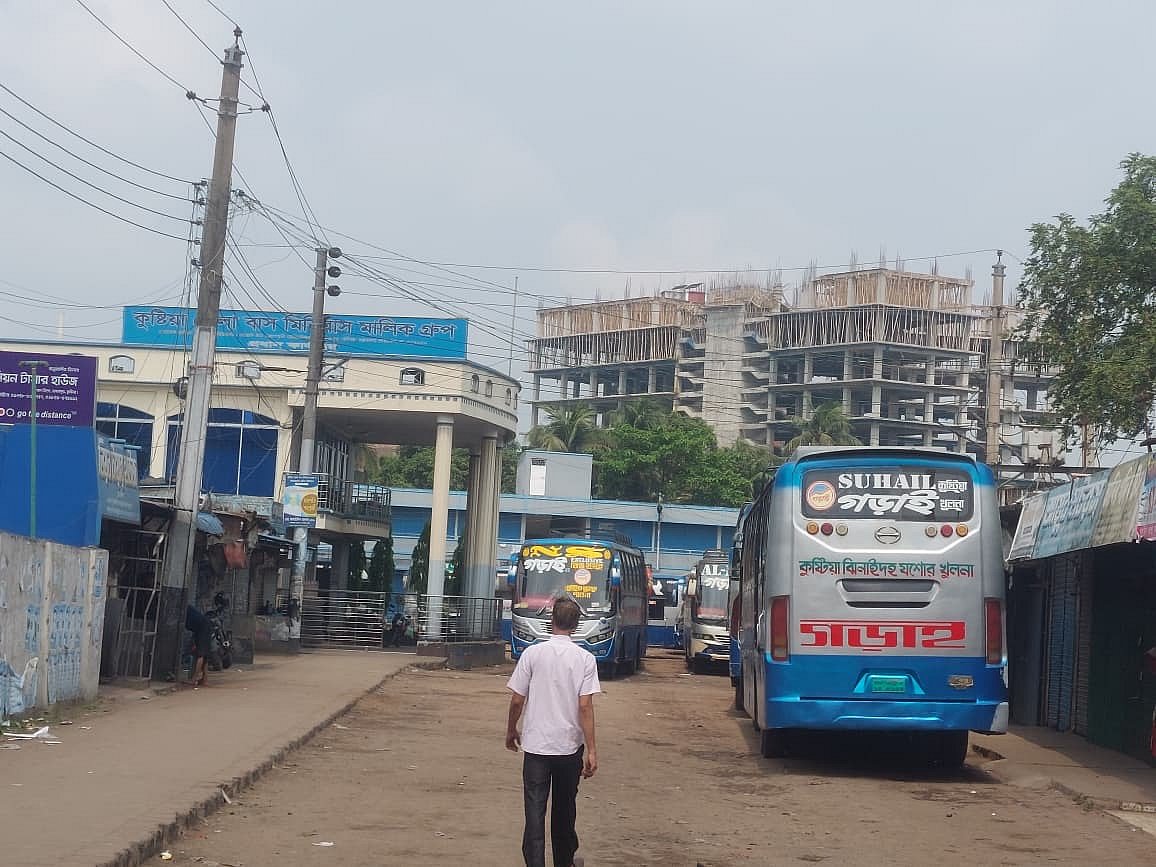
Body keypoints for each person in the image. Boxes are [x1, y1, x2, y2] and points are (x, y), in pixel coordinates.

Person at [506, 598, 599, 867]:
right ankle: (564, 861)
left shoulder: (532, 654)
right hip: (569, 748)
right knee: (564, 812)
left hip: (536, 747)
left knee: (534, 813)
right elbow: (585, 706)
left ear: (551, 621)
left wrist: (511, 730)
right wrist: (592, 750)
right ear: (576, 625)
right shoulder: (585, 659)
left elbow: (517, 700)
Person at [185, 604, 211, 687]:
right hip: (201, 628)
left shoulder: (183, 610)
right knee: (203, 654)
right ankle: (205, 679)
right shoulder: (186, 609)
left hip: (202, 628)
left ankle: (194, 679)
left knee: (200, 654)